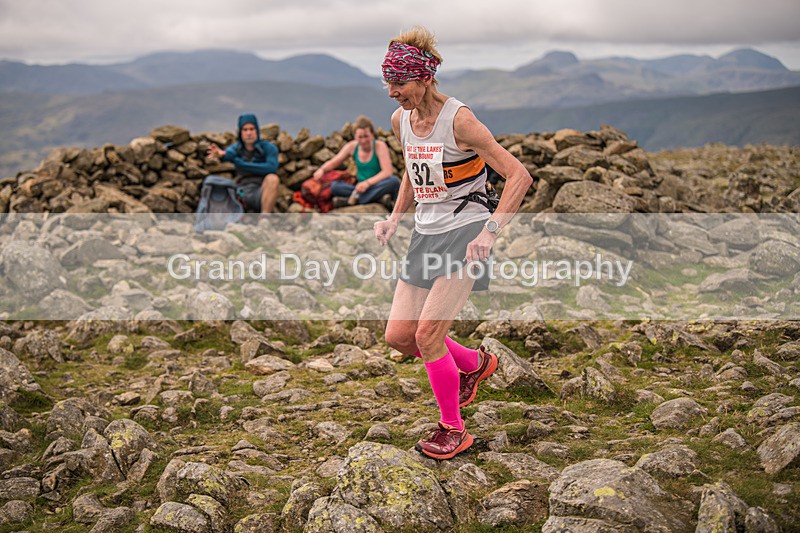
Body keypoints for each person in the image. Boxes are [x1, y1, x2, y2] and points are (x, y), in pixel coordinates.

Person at [373, 26, 533, 460]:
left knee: (428, 335)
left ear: (424, 78)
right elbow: (412, 168)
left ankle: (453, 430)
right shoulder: (400, 119)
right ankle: (476, 364)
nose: (391, 92)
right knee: (400, 336)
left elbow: (519, 176)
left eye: (399, 82)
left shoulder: (461, 121)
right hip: (426, 232)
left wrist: (490, 232)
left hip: (467, 231)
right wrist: (394, 218)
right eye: (387, 82)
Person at [313, 115, 400, 209]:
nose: (363, 140)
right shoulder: (352, 147)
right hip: (358, 188)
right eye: (360, 137)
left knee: (393, 181)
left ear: (372, 134)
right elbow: (335, 161)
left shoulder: (379, 146)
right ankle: (376, 199)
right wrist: (322, 169)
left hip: (377, 185)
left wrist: (367, 183)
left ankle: (356, 200)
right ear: (355, 136)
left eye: (366, 136)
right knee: (335, 186)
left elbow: (387, 172)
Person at [206, 113, 280, 214]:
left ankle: (264, 219)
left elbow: (271, 168)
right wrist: (221, 154)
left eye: (251, 129)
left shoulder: (268, 148)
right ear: (240, 132)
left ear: (257, 131)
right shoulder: (237, 148)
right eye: (245, 130)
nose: (248, 133)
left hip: (261, 192)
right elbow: (229, 154)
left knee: (272, 179)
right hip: (241, 192)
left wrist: (241, 164)